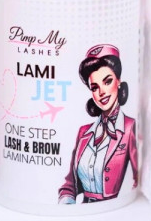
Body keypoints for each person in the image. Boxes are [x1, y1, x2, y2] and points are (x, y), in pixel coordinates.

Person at [58, 44, 138, 204]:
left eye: (107, 82)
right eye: (95, 87)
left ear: (118, 81)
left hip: (114, 211)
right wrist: (66, 203)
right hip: (81, 211)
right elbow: (70, 185)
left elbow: (137, 178)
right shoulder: (84, 132)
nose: (101, 92)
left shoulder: (130, 127)